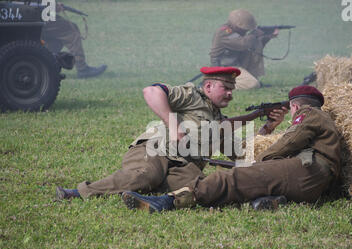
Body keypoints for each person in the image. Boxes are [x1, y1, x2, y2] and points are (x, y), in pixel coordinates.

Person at [56, 66, 285, 200]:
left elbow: (243, 153)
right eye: (225, 88)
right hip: (156, 151)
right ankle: (77, 192)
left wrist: (268, 127)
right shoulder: (191, 96)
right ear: (208, 87)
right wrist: (174, 126)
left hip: (182, 167)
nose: (230, 94)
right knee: (146, 176)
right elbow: (152, 91)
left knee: (204, 187)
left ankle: (144, 197)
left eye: (232, 90)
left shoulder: (219, 122)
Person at [121, 85, 342, 213]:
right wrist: (266, 128)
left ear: (295, 106)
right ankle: (274, 201)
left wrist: (259, 162)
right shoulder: (322, 119)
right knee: (257, 185)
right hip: (312, 182)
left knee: (234, 177)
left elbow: (290, 142)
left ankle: (168, 201)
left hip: (309, 169)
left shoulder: (309, 114)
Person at [24, 0, 108, 78]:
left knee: (55, 41)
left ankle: (43, 66)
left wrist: (53, 5)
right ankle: (82, 68)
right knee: (71, 31)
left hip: (30, 14)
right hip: (40, 14)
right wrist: (55, 6)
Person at [209, 9, 279, 90]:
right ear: (236, 25)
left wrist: (267, 37)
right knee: (252, 84)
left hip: (234, 66)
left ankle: (250, 78)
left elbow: (253, 44)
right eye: (245, 28)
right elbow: (243, 44)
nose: (246, 30)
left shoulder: (234, 32)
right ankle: (220, 85)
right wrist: (255, 34)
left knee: (255, 46)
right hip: (224, 69)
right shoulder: (225, 32)